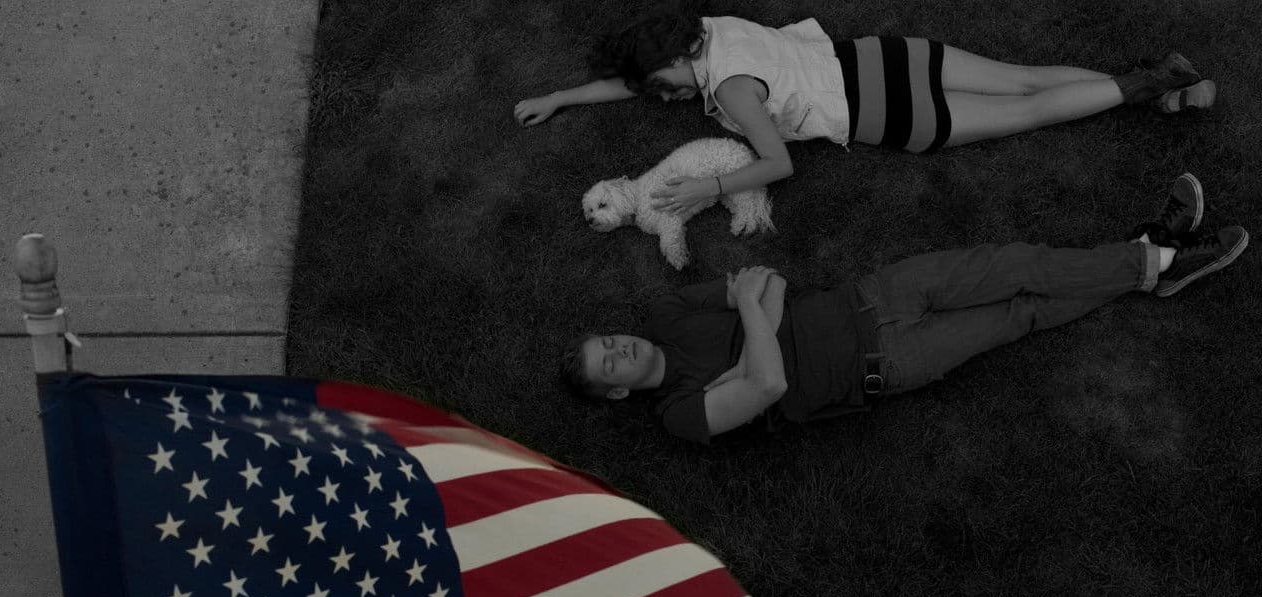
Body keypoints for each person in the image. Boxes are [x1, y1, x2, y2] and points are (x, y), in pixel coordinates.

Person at [558, 174, 1248, 444]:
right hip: (885, 363)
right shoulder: (680, 414)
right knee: (1024, 313)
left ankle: (1154, 261)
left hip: (875, 294)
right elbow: (768, 384)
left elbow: (770, 280)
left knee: (1018, 262)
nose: (621, 349)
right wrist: (751, 318)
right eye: (610, 364)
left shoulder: (668, 313)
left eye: (609, 341)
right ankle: (1157, 258)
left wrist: (750, 332)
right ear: (617, 391)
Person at [514, 10, 1217, 216]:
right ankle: (1163, 86)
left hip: (888, 112)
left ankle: (1144, 86)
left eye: (660, 84)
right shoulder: (708, 29)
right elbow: (635, 82)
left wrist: (709, 186)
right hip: (888, 58)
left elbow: (778, 164)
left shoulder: (728, 91)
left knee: (1031, 112)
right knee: (1026, 79)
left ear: (674, 60)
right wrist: (561, 97)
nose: (660, 94)